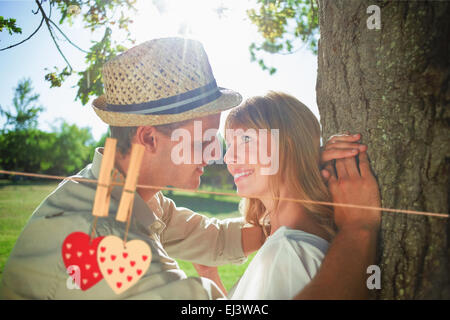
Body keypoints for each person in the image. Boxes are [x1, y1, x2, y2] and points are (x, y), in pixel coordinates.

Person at [0, 37, 372, 300]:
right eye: (202, 142)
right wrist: (358, 229)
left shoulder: (132, 199)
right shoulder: (100, 236)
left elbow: (214, 238)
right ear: (148, 139)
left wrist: (296, 164)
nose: (215, 157)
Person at [194, 92, 381, 299]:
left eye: (246, 139)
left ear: (288, 145)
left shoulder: (291, 252)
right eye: (229, 145)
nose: (228, 157)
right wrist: (208, 274)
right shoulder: (280, 245)